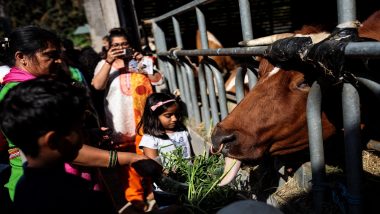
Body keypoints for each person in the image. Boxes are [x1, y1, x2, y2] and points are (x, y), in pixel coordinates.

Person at [0, 25, 160, 205]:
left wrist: (89, 134)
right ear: (21, 57)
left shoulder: (39, 85)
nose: (59, 61)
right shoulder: (20, 93)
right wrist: (132, 158)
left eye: (58, 55)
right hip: (51, 194)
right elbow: (61, 148)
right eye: (50, 55)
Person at [0, 77, 117, 214]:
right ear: (54, 140)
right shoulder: (79, 196)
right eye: (79, 128)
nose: (83, 135)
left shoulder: (23, 186)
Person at [92, 27, 163, 211]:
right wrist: (109, 61)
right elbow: (97, 86)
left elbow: (158, 81)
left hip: (143, 123)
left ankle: (150, 191)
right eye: (116, 45)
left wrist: (142, 62)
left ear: (130, 45)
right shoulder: (104, 65)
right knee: (126, 163)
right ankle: (134, 196)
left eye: (124, 43)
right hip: (120, 123)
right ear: (109, 46)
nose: (121, 47)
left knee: (149, 156)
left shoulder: (139, 62)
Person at [137, 92, 192, 168]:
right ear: (154, 117)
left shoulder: (182, 131)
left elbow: (192, 157)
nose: (174, 119)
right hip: (169, 179)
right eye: (168, 116)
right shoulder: (150, 140)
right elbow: (154, 169)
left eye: (176, 114)